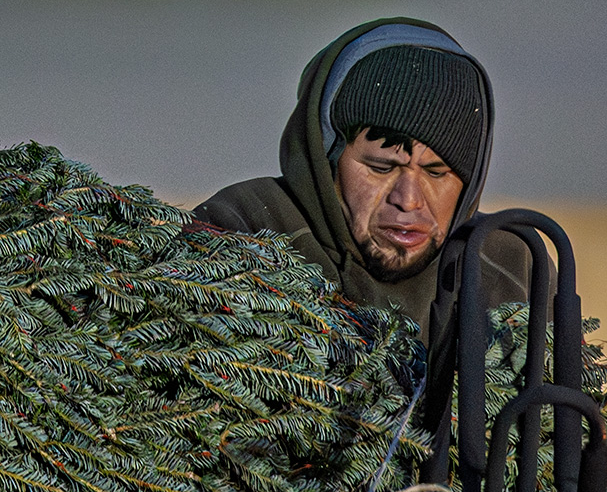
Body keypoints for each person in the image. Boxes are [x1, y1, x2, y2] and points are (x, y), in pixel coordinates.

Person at [194, 18, 528, 339]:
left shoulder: (509, 270)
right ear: (327, 159)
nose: (408, 199)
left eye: (435, 172)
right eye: (381, 167)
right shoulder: (240, 231)